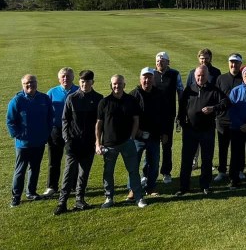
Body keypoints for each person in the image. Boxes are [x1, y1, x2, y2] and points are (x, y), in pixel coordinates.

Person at [54, 69, 103, 214]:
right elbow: (65, 120)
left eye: (87, 82)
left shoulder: (98, 98)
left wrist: (98, 141)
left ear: (92, 82)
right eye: (82, 82)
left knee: (83, 173)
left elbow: (100, 122)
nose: (84, 85)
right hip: (73, 143)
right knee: (68, 173)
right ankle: (62, 202)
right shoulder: (72, 98)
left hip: (89, 142)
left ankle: (79, 199)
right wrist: (66, 138)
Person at [95, 74, 145, 209]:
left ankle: (139, 197)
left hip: (127, 143)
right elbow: (99, 124)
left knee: (133, 171)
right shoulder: (104, 102)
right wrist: (97, 143)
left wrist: (132, 136)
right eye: (114, 84)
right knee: (108, 172)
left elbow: (136, 120)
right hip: (109, 144)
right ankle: (109, 197)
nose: (117, 86)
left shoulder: (131, 100)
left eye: (119, 84)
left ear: (124, 85)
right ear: (111, 85)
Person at [6, 73, 53, 207]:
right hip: (23, 144)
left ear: (36, 83)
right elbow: (10, 121)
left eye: (32, 82)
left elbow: (50, 118)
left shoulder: (44, 98)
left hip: (39, 142)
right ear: (23, 85)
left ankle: (31, 192)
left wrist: (46, 134)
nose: (30, 85)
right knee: (20, 170)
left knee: (35, 168)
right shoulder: (17, 100)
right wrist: (18, 135)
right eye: (27, 83)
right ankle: (16, 196)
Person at [177, 65, 221, 195]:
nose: (200, 78)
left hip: (207, 130)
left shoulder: (213, 90)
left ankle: (205, 185)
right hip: (190, 131)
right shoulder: (189, 89)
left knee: (207, 159)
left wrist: (213, 108)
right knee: (187, 159)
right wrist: (182, 123)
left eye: (203, 75)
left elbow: (225, 103)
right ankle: (184, 187)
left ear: (207, 76)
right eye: (198, 76)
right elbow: (182, 108)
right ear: (194, 76)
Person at [129, 67, 165, 197]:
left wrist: (164, 133)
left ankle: (151, 187)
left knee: (153, 164)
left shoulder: (159, 94)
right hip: (138, 137)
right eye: (145, 77)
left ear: (153, 79)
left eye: (150, 77)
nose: (147, 80)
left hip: (154, 135)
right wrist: (135, 131)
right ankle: (133, 188)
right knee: (134, 164)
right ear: (140, 79)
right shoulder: (133, 95)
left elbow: (164, 116)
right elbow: (127, 117)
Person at [43, 67, 76, 197]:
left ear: (73, 78)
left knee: (73, 159)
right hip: (56, 130)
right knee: (54, 160)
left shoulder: (78, 90)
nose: (65, 78)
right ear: (59, 78)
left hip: (73, 131)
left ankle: (73, 185)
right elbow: (45, 112)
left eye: (68, 76)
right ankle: (52, 186)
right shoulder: (52, 92)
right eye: (63, 76)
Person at [214, 53, 245, 183]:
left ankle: (239, 170)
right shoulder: (221, 78)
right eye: (232, 62)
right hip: (222, 119)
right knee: (223, 147)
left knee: (238, 147)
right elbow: (216, 97)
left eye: (236, 63)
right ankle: (222, 171)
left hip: (238, 120)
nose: (234, 65)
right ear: (229, 63)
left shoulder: (244, 78)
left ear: (240, 64)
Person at [153, 51, 182, 184]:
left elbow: (180, 93)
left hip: (168, 116)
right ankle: (148, 173)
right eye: (158, 61)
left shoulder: (174, 74)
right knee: (151, 145)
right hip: (153, 116)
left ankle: (166, 172)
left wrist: (180, 113)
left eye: (162, 61)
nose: (160, 63)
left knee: (166, 145)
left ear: (168, 62)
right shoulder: (151, 74)